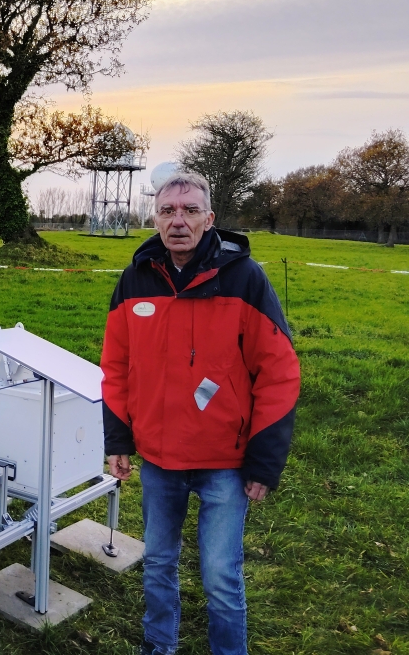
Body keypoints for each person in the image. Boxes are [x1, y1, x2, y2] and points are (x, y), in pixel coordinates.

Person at [100, 171, 299, 655]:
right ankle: (158, 645)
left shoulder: (245, 279)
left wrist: (264, 462)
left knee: (221, 577)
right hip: (159, 458)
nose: (179, 221)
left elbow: (279, 373)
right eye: (168, 211)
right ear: (155, 218)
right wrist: (118, 440)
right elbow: (115, 367)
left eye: (190, 211)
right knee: (157, 563)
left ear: (209, 219)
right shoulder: (134, 280)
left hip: (224, 462)